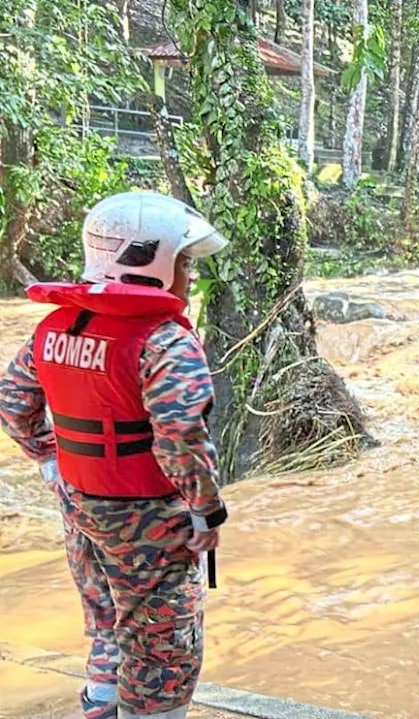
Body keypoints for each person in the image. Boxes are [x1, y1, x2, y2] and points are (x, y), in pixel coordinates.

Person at [0, 191, 229, 719]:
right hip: (147, 515)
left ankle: (101, 700)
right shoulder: (165, 340)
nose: (191, 276)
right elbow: (180, 435)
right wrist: (206, 510)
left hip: (79, 504)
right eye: (186, 262)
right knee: (161, 643)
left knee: (107, 611)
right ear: (153, 260)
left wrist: (50, 457)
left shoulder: (55, 326)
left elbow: (12, 404)